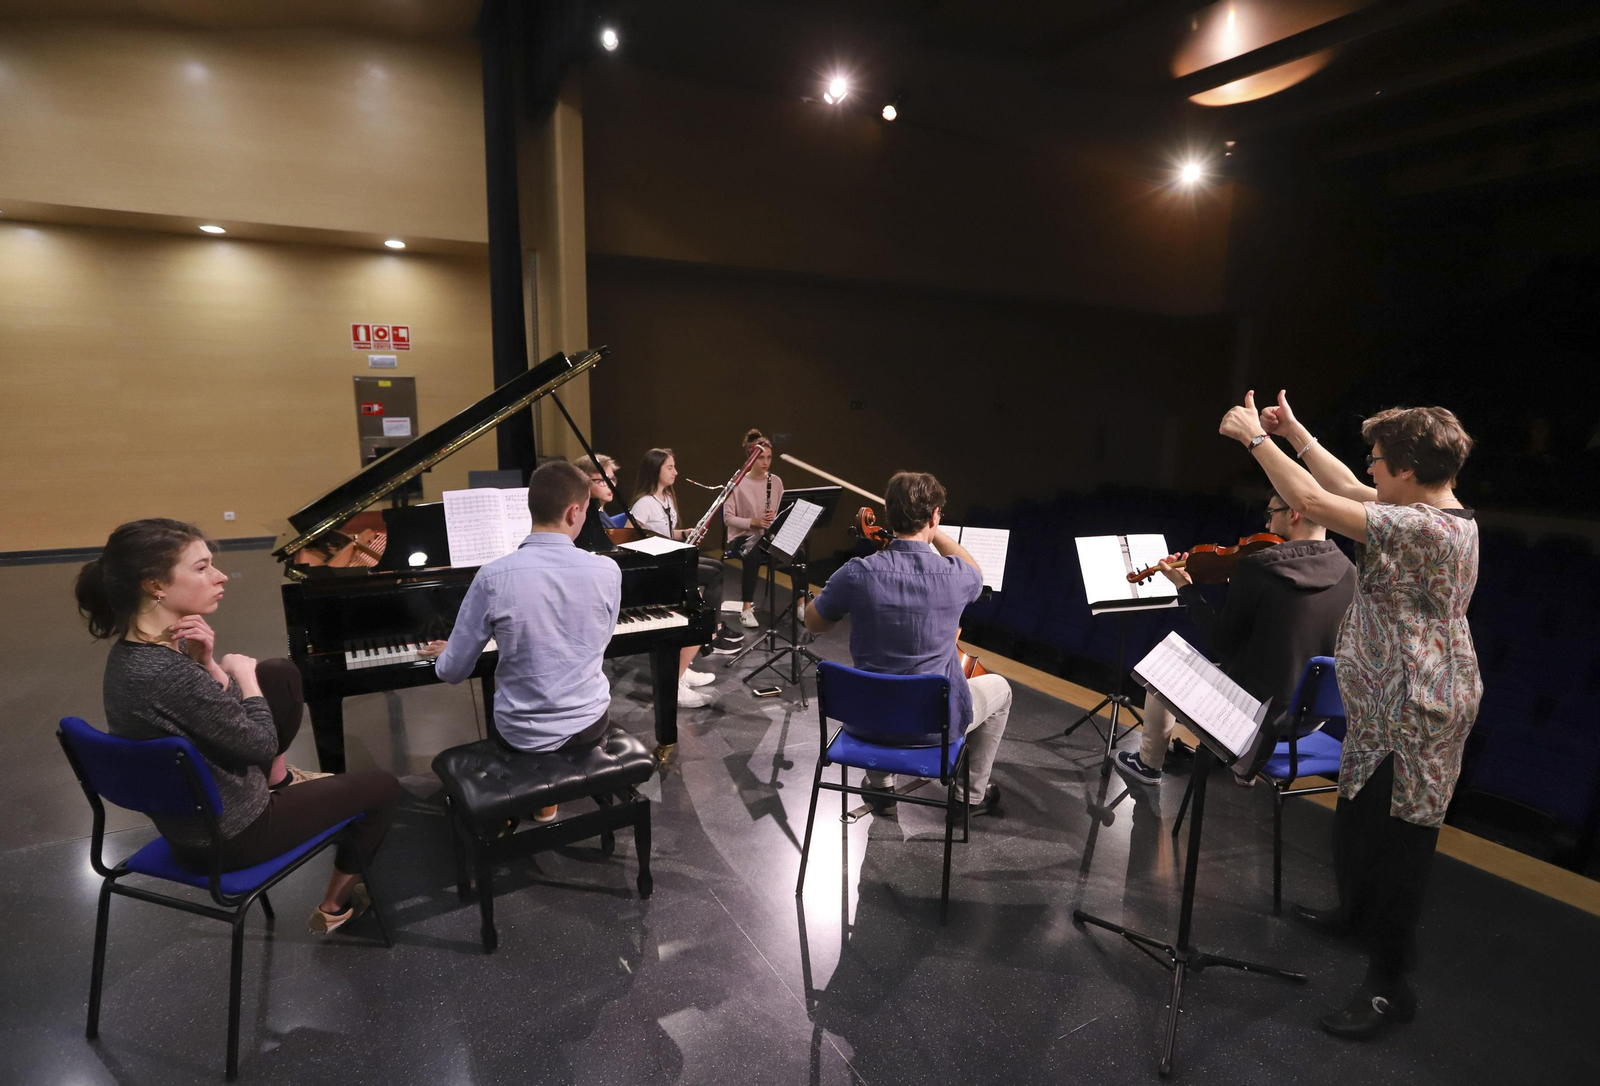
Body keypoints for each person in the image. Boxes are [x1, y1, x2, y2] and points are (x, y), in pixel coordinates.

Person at [1219, 390, 1481, 1040]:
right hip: (1383, 703)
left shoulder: (1431, 529)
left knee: (1401, 849)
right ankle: (1354, 916)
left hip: (1420, 711)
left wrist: (1257, 441)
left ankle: (1389, 987)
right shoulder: (1409, 505)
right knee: (1361, 818)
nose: (1370, 471)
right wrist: (1297, 431)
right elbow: (1335, 483)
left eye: (1379, 461)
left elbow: (1313, 503)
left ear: (1410, 471)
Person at [77, 519, 400, 935]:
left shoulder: (135, 654)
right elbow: (260, 743)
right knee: (382, 786)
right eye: (201, 568)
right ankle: (335, 908)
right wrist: (242, 679)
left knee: (278, 674)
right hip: (230, 837)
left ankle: (279, 784)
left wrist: (208, 664)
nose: (220, 576)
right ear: (154, 583)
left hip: (197, 820)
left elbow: (211, 715)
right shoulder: (167, 675)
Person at [422, 462, 622, 822]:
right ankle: (547, 802)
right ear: (574, 511)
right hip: (592, 722)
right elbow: (596, 644)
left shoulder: (493, 576)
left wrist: (452, 649)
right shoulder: (608, 571)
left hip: (523, 736)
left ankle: (533, 802)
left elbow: (452, 672)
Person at [804, 471, 1010, 816]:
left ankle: (881, 788)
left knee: (881, 682)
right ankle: (968, 796)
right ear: (933, 516)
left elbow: (814, 622)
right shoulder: (956, 574)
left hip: (866, 719)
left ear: (889, 516)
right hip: (934, 725)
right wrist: (936, 532)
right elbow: (977, 573)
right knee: (1001, 689)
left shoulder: (857, 572)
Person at [1116, 492, 1355, 787]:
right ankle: (1244, 765)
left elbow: (1223, 641)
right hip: (1309, 722)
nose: (1266, 525)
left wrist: (1186, 589)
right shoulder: (1351, 573)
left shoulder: (1261, 567)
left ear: (1293, 512)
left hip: (1254, 720)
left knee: (1163, 670)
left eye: (1270, 515)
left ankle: (1148, 764)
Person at [630, 447, 742, 709]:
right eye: (670, 467)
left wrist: (683, 534)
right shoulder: (644, 503)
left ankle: (686, 664)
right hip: (658, 568)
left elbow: (667, 531)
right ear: (655, 470)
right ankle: (711, 632)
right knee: (707, 586)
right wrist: (661, 545)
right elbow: (629, 536)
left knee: (717, 569)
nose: (675, 472)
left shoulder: (666, 497)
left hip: (671, 559)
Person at [723, 429, 785, 628]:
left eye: (768, 458)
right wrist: (754, 522)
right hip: (742, 537)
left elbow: (782, 511)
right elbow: (728, 518)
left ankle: (802, 604)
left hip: (766, 536)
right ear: (751, 458)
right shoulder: (737, 483)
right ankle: (746, 609)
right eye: (761, 458)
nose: (766, 462)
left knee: (798, 551)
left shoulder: (775, 482)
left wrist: (773, 520)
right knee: (754, 555)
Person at [572, 452, 622, 552]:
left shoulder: (600, 513)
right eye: (603, 480)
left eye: (612, 479)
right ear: (583, 483)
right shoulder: (587, 520)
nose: (611, 485)